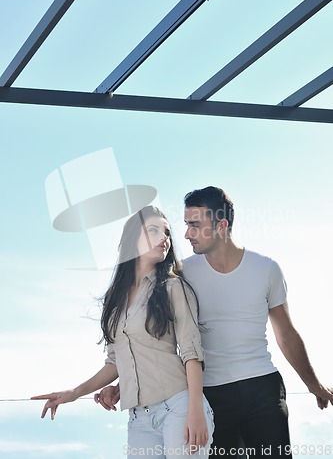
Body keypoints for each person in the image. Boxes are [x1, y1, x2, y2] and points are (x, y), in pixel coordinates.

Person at [97, 187, 333, 458]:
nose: (186, 234)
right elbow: (153, 337)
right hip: (210, 394)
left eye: (195, 226)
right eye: (186, 225)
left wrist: (314, 385)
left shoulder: (266, 269)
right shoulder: (181, 274)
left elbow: (286, 336)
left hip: (263, 388)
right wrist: (129, 381)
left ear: (221, 225)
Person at [31, 205, 214, 458]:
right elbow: (116, 361)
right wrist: (74, 393)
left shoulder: (173, 288)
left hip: (179, 407)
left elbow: (192, 353)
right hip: (138, 418)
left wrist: (196, 412)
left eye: (167, 233)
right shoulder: (114, 300)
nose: (165, 239)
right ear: (132, 240)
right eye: (153, 230)